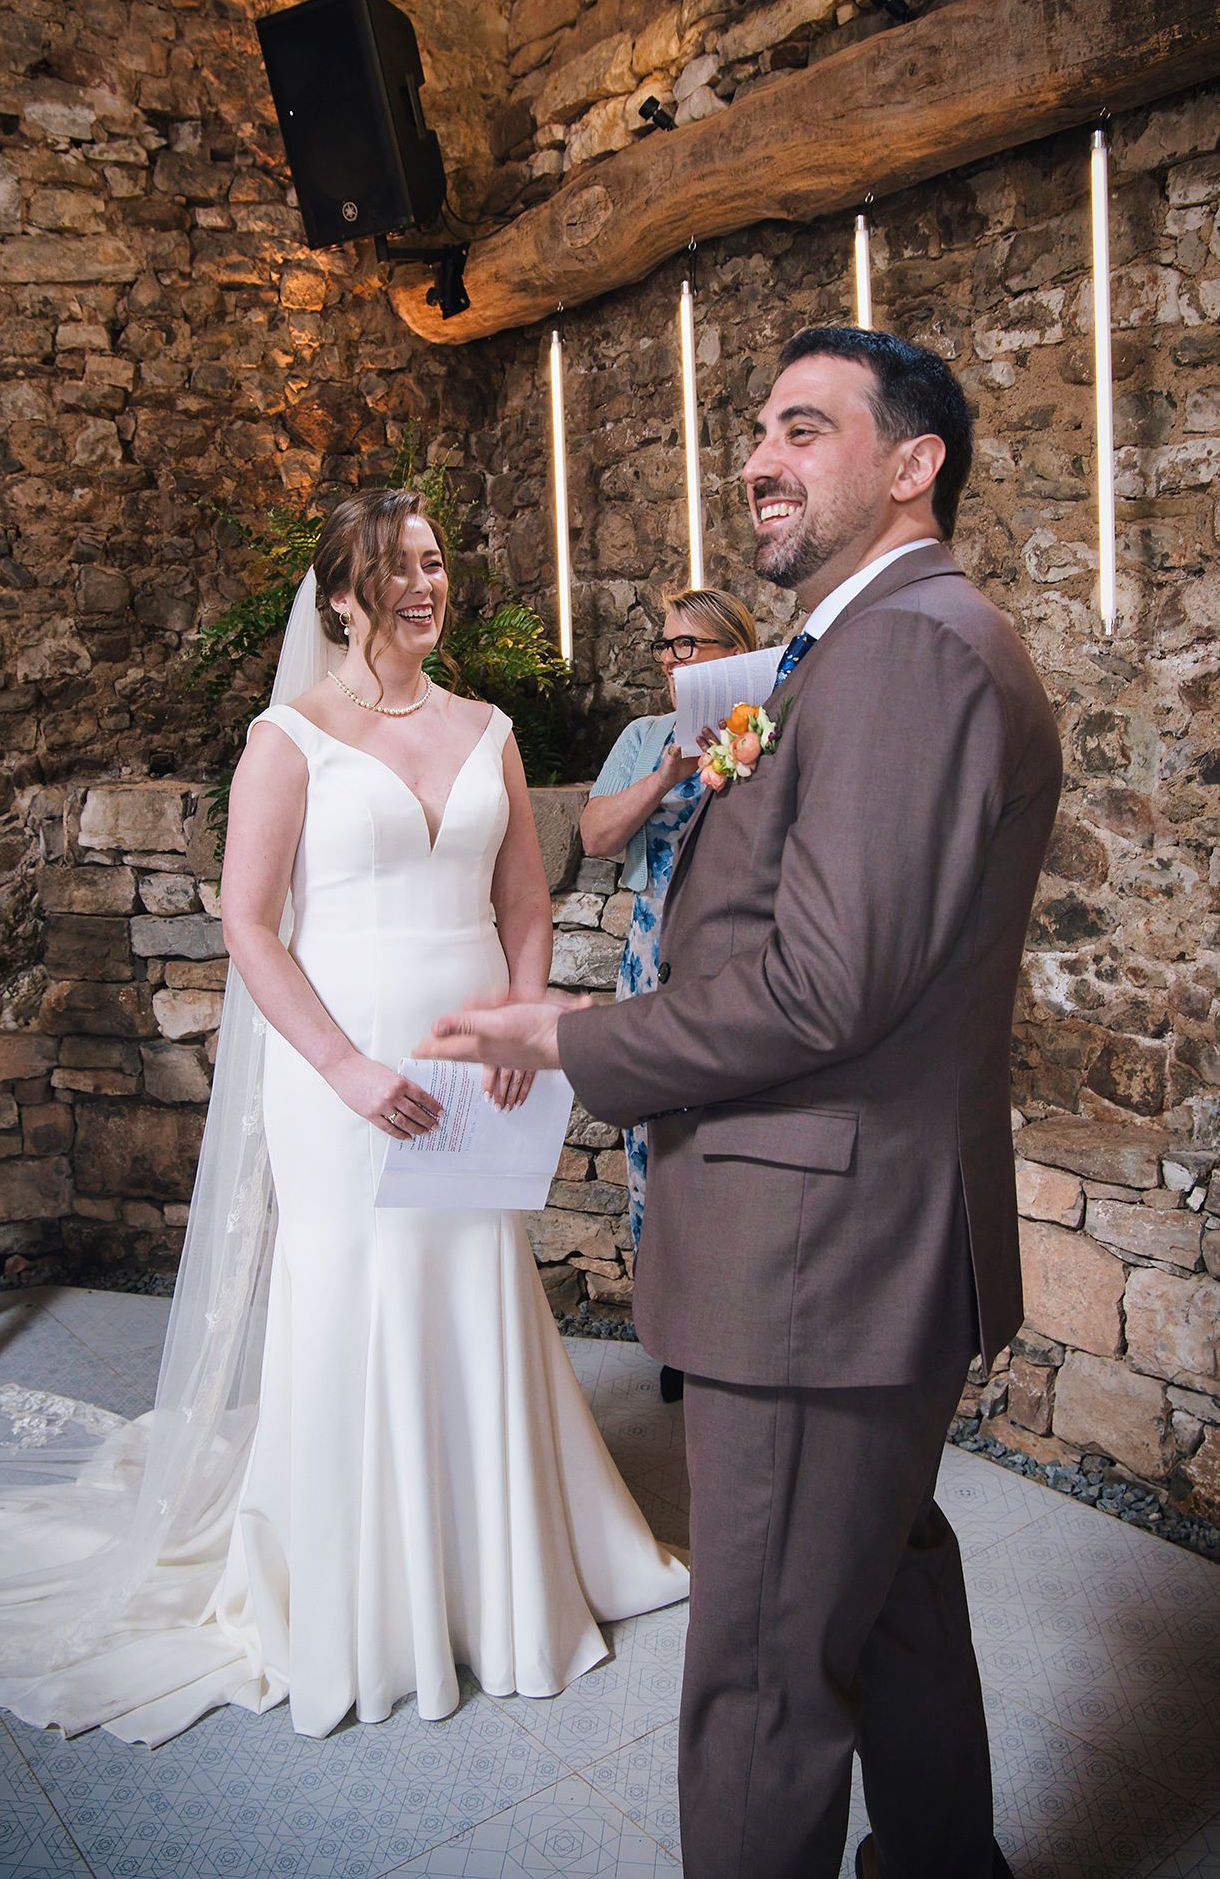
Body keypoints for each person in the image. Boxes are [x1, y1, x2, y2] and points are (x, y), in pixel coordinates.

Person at [0, 487, 686, 1744]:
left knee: (472, 1281)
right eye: (396, 567)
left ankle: (496, 1577)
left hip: (479, 1069)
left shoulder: (489, 727)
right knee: (357, 1293)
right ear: (341, 595)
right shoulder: (289, 737)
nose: (423, 583)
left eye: (434, 561)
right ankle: (359, 1598)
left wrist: (530, 1014)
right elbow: (249, 925)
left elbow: (526, 896)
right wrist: (347, 1071)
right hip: (345, 1076)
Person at [418, 328, 1062, 1879]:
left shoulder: (909, 647)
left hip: (813, 1247)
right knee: (881, 1587)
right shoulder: (861, 647)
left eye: (803, 428)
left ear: (914, 466)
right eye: (756, 429)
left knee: (764, 1673)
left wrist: (582, 1032)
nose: (758, 460)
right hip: (856, 1233)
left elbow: (824, 986)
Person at [581, 588, 758, 1403]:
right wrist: (669, 772)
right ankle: (675, 1336)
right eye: (666, 645)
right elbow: (595, 837)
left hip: (745, 960)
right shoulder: (643, 738)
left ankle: (740, 1327)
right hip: (654, 953)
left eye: (688, 646)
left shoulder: (768, 731)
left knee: (735, 1141)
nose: (669, 660)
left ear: (733, 652)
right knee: (656, 1146)